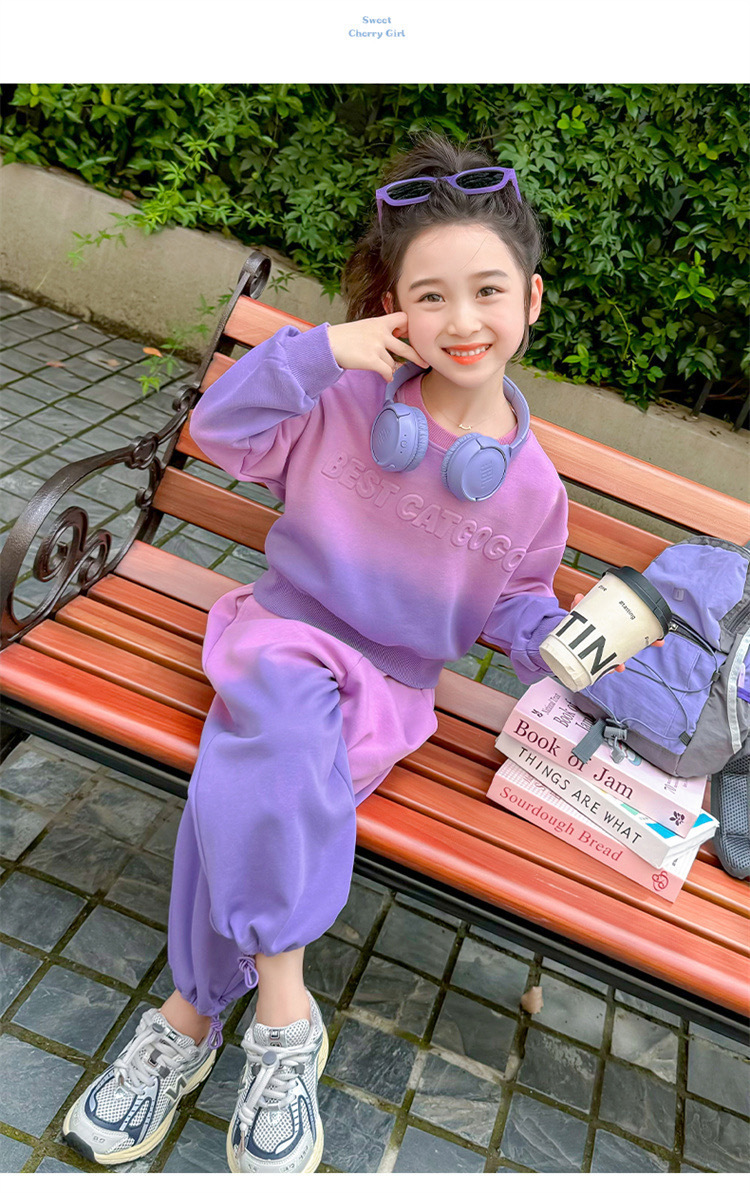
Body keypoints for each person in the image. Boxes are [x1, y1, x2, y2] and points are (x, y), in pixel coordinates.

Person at [62, 132, 573, 1173]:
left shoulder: (534, 489)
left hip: (388, 692)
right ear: (394, 309)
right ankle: (283, 1017)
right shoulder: (339, 398)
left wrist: (567, 649)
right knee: (283, 719)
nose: (462, 320)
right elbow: (221, 429)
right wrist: (319, 351)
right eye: (430, 296)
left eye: (488, 291)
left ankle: (189, 1015)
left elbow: (518, 602)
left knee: (258, 776)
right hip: (282, 635)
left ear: (530, 299)